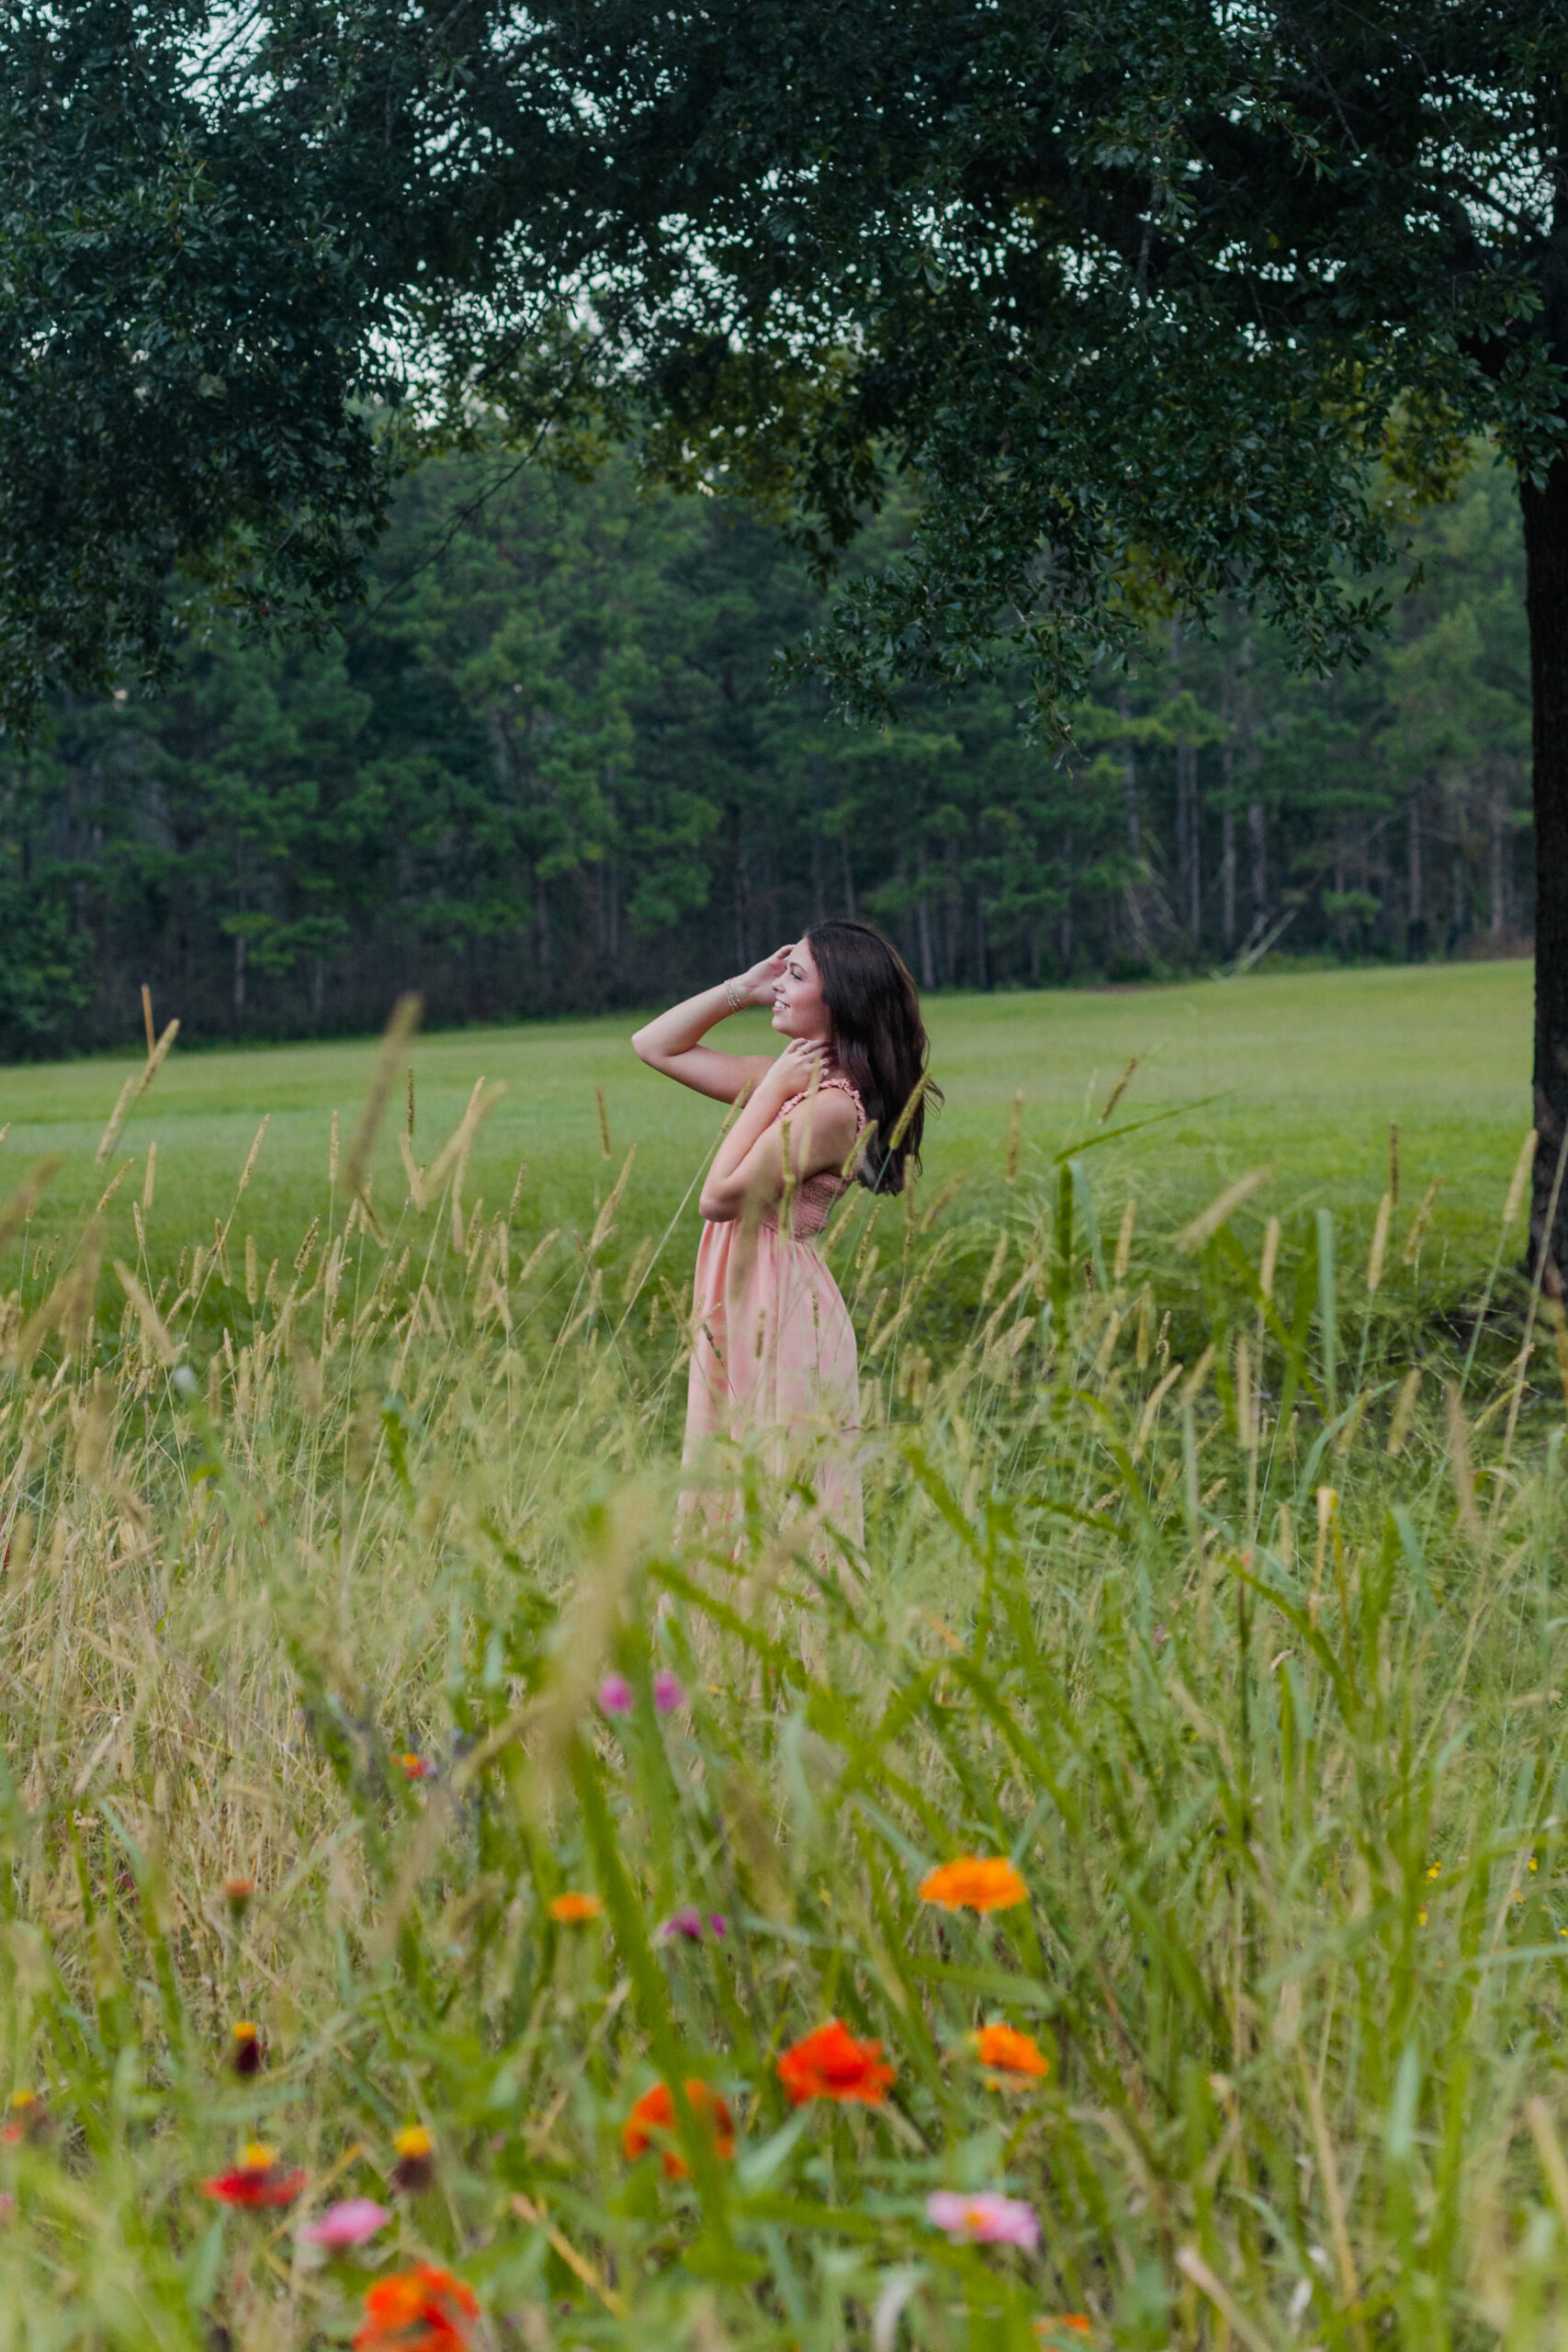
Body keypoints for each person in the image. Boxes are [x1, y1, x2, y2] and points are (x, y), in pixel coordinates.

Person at [632, 921, 937, 1550]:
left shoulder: (827, 1108)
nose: (779, 986)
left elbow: (718, 1200)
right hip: (747, 1298)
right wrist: (740, 989)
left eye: (795, 977)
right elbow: (654, 1045)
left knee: (774, 1503)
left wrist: (768, 1089)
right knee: (725, 1485)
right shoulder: (803, 1084)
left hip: (781, 1310)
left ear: (840, 1001)